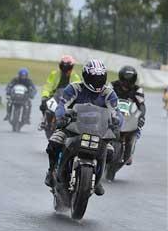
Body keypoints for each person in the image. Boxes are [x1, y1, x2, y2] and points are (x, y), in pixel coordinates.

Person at [45, 59, 120, 197]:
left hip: (98, 131)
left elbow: (116, 111)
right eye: (93, 78)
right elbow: (62, 105)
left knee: (110, 151)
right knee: (54, 142)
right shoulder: (74, 88)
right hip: (72, 128)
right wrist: (62, 116)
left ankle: (97, 178)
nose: (97, 81)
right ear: (86, 76)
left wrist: (116, 122)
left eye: (100, 78)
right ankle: (51, 171)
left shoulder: (109, 93)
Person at [111, 65, 147, 164]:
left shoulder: (137, 90)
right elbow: (103, 98)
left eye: (129, 81)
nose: (126, 84)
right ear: (121, 78)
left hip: (128, 116)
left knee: (137, 131)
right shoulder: (112, 86)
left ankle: (130, 153)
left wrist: (141, 117)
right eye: (125, 81)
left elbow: (141, 106)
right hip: (114, 113)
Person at [39, 55, 81, 121]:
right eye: (64, 67)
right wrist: (44, 96)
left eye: (68, 68)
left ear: (71, 67)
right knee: (43, 106)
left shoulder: (75, 77)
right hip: (54, 96)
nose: (66, 70)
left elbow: (78, 90)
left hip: (68, 99)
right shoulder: (54, 74)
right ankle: (45, 121)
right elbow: (48, 86)